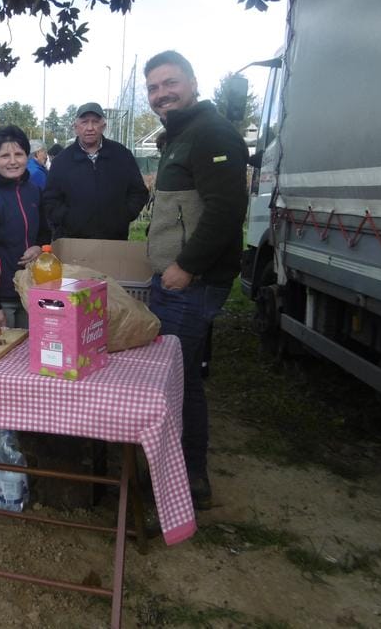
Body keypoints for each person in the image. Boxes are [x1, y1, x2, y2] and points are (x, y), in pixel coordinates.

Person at [143, 50, 248, 510]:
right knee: (180, 379)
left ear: (192, 82)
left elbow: (227, 209)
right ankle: (184, 474)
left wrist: (186, 266)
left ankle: (181, 482)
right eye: (153, 88)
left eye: (170, 83)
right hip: (176, 281)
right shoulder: (180, 135)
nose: (161, 93)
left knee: (173, 381)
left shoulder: (211, 132)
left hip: (192, 282)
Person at [0, 125, 51, 328]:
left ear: (27, 157)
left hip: (30, 293)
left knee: (30, 347)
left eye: (19, 154)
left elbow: (45, 230)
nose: (13, 161)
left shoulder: (34, 191)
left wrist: (39, 247)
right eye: (5, 155)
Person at [43, 102, 149, 240]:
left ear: (103, 126)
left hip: (114, 241)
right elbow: (50, 199)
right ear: (76, 127)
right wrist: (70, 220)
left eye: (95, 122)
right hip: (73, 241)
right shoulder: (61, 161)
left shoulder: (122, 155)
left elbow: (138, 192)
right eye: (84, 122)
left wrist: (123, 216)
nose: (90, 128)